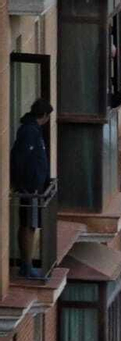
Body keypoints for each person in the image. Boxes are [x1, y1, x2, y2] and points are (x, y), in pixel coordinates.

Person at [10, 99, 51, 278]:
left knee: (31, 224)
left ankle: (26, 265)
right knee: (29, 225)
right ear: (44, 115)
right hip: (31, 188)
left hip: (35, 187)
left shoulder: (33, 130)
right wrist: (24, 184)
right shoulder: (29, 131)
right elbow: (20, 158)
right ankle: (26, 265)